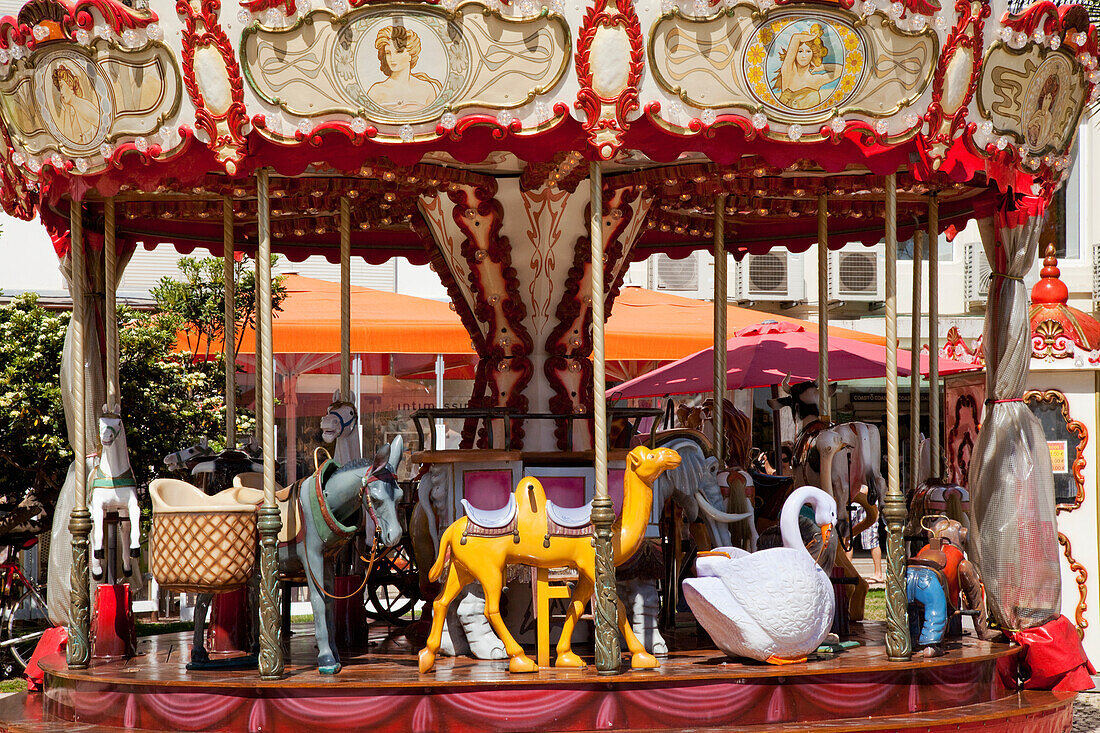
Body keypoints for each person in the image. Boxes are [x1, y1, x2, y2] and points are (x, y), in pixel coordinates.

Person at [366, 25, 443, 113]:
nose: (392, 58)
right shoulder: (376, 91)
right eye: (388, 53)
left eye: (398, 52)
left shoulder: (427, 89)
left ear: (411, 54)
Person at [771, 24, 841, 110]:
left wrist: (821, 67)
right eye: (800, 51)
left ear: (813, 55)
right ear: (795, 54)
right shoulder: (788, 72)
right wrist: (813, 36)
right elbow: (796, 38)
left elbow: (840, 70)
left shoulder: (816, 80)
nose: (804, 55)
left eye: (808, 51)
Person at [51, 63, 101, 144]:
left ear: (70, 84)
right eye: (59, 89)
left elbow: (103, 129)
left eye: (62, 86)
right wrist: (67, 110)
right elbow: (69, 139)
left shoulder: (83, 107)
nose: (61, 93)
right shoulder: (74, 109)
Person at [847, 485, 883, 583]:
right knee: (847, 539)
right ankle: (848, 571)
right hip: (852, 501)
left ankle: (878, 573)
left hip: (867, 500)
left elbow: (869, 486)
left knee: (872, 540)